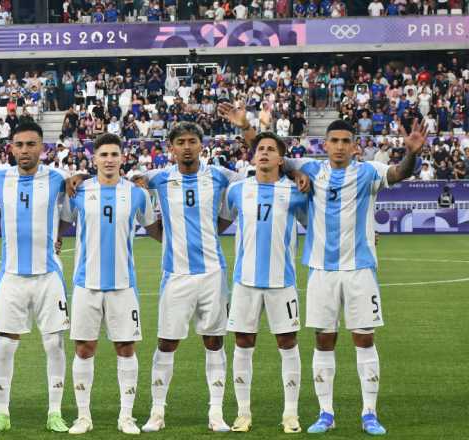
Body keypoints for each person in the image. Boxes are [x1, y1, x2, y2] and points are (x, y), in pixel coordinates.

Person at [285, 119, 427, 436]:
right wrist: (294, 173)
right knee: (324, 340)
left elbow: (399, 173)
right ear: (325, 145)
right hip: (321, 270)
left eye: (345, 141)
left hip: (360, 269)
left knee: (364, 338)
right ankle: (326, 413)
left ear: (354, 146)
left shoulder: (369, 171)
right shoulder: (311, 168)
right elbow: (275, 157)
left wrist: (412, 154)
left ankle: (369, 413)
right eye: (333, 140)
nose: (338, 146)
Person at [128, 120, 246, 433]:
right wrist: (135, 181)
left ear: (202, 145)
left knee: (214, 341)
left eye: (192, 141)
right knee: (167, 342)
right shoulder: (160, 178)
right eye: (180, 142)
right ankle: (156, 412)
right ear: (171, 148)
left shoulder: (220, 176)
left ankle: (216, 412)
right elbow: (129, 179)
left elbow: (249, 182)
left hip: (212, 273)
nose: (187, 147)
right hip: (176, 275)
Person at [66, 133, 162, 435]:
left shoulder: (136, 194)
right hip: (86, 283)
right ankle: (83, 416)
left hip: (123, 285)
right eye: (103, 154)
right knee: (84, 348)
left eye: (114, 155)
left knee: (125, 347)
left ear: (122, 158)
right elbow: (61, 219)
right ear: (94, 159)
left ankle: (126, 416)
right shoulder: (80, 191)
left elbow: (153, 227)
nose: (108, 159)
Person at [0, 120, 74, 434]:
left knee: (54, 345)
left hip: (49, 276)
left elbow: (67, 213)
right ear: (11, 147)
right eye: (19, 145)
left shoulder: (59, 179)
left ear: (42, 147)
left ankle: (55, 412)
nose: (25, 150)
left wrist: (55, 237)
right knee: (5, 347)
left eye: (31, 144)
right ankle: (2, 413)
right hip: (11, 277)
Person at [220, 132, 308, 434]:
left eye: (272, 149)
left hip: (282, 281)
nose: (266, 153)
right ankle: (243, 413)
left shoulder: (295, 192)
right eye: (261, 149)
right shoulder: (237, 190)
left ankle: (291, 414)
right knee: (243, 343)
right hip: (245, 281)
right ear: (253, 155)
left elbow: (318, 224)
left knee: (288, 343)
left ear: (281, 159)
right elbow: (220, 222)